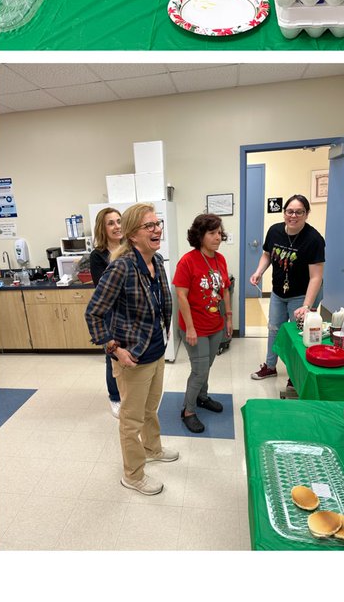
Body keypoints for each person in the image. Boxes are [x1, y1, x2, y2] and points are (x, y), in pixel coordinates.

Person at [85, 204, 179, 496]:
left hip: (155, 350)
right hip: (132, 357)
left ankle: (152, 448)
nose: (157, 230)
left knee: (151, 409)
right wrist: (114, 348)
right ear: (132, 234)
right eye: (148, 226)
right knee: (131, 419)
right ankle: (133, 475)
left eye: (157, 223)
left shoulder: (157, 261)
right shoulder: (121, 266)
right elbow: (94, 313)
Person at [249, 194, 325, 382]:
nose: (294, 216)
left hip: (301, 295)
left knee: (298, 335)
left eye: (299, 212)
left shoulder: (314, 239)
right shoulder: (274, 231)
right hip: (278, 292)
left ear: (306, 214)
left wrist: (306, 306)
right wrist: (259, 272)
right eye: (290, 211)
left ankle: (295, 375)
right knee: (274, 328)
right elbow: (267, 254)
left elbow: (316, 277)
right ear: (284, 213)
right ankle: (270, 366)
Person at [172, 214, 232, 434]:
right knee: (199, 371)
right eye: (212, 233)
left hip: (215, 325)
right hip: (194, 327)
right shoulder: (188, 261)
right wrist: (189, 328)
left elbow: (224, 289)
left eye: (219, 233)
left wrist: (229, 318)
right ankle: (188, 411)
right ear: (200, 235)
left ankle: (202, 397)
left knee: (207, 366)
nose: (218, 237)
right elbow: (181, 296)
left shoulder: (220, 259)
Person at [89, 207, 123, 418]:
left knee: (129, 356)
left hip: (131, 313)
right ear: (103, 228)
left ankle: (128, 392)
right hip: (110, 315)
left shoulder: (131, 247)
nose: (117, 226)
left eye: (119, 221)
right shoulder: (98, 256)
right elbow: (102, 289)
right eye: (111, 223)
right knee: (113, 357)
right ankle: (115, 397)